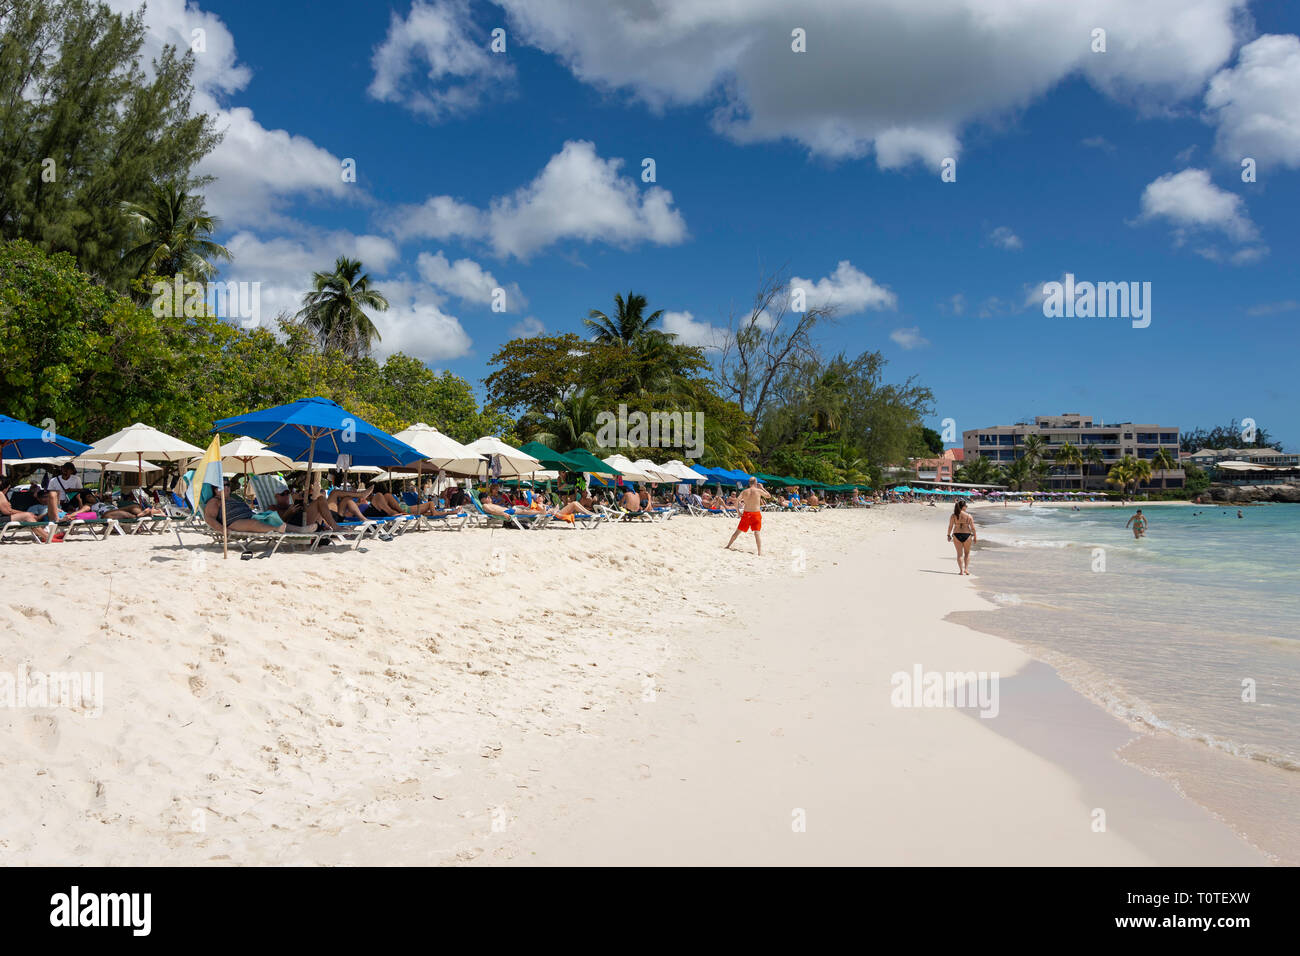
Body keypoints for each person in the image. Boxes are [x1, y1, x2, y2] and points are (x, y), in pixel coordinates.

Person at [204, 481, 282, 535]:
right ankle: (277, 529)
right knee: (253, 523)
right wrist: (223, 530)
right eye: (223, 485)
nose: (226, 487)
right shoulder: (215, 501)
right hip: (233, 523)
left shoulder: (233, 498)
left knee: (274, 517)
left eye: (228, 485)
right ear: (216, 490)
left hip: (251, 517)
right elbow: (209, 518)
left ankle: (291, 529)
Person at [725, 477, 771, 555]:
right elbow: (768, 496)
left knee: (737, 531)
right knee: (757, 533)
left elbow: (736, 501)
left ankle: (728, 545)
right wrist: (762, 488)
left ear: (749, 483)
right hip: (756, 513)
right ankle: (759, 552)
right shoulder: (759, 491)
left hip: (746, 514)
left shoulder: (744, 491)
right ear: (756, 482)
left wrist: (738, 512)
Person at [0, 476, 53, 541]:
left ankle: (45, 535)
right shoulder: (0, 494)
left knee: (28, 516)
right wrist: (24, 513)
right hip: (1, 521)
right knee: (27, 516)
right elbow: (7, 511)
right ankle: (47, 537)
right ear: (6, 487)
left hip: (3, 519)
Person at [946, 500, 977, 575]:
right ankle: (966, 569)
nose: (966, 507)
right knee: (967, 553)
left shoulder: (953, 516)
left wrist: (948, 535)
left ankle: (961, 571)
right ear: (963, 507)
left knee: (959, 554)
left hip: (956, 535)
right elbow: (973, 528)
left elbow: (950, 526)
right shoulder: (969, 516)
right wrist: (975, 536)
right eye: (966, 506)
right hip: (967, 535)